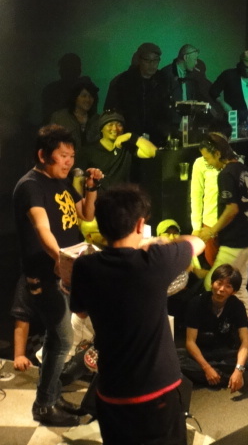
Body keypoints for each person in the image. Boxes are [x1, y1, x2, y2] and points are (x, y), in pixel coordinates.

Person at [70, 184, 205, 444]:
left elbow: (81, 313)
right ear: (140, 224)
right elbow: (198, 243)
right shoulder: (155, 259)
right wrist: (153, 242)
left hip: (112, 389)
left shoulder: (85, 266)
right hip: (158, 389)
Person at [12, 124, 103, 426]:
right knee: (63, 339)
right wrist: (60, 259)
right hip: (45, 274)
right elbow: (42, 229)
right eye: (63, 155)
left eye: (72, 156)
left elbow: (86, 214)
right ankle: (44, 405)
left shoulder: (61, 182)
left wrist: (91, 187)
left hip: (64, 272)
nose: (69, 161)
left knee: (57, 337)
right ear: (43, 155)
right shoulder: (30, 186)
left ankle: (50, 395)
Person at [197, 133, 248, 318]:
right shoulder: (243, 168)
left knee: (212, 282)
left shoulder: (225, 173)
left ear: (217, 153)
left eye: (207, 158)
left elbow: (232, 209)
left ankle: (216, 323)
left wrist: (211, 231)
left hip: (236, 238)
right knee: (239, 284)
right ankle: (245, 320)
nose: (208, 163)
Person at [178, 264, 248, 392]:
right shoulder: (196, 303)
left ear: (234, 291)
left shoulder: (237, 306)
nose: (221, 289)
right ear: (211, 283)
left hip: (224, 351)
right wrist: (207, 368)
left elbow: (245, 341)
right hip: (201, 352)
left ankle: (214, 377)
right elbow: (190, 342)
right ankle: (225, 378)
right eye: (219, 283)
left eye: (228, 286)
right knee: (175, 359)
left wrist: (238, 369)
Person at [104, 42, 172, 146]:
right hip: (130, 139)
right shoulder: (123, 81)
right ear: (140, 60)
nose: (152, 64)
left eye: (155, 60)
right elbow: (112, 111)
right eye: (147, 60)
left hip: (157, 139)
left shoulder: (162, 80)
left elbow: (166, 111)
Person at [76, 110, 157, 192]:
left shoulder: (127, 148)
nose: (115, 128)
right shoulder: (88, 151)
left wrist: (131, 136)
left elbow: (153, 152)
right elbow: (78, 178)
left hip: (122, 197)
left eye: (119, 125)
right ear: (102, 128)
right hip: (99, 198)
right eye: (110, 125)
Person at [191, 133, 222, 266]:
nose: (207, 161)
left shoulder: (234, 162)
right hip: (210, 222)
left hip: (230, 224)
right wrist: (196, 227)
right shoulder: (200, 163)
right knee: (213, 264)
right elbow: (196, 195)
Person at [50, 78, 100, 149]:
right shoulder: (59, 118)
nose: (88, 99)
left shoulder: (97, 119)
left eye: (91, 96)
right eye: (84, 96)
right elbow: (51, 143)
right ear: (75, 97)